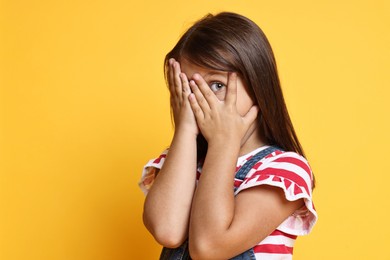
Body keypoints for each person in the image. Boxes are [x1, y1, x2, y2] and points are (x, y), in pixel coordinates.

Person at [139, 12, 317, 259]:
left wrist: (224, 143)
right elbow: (167, 230)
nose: (201, 99)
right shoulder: (183, 161)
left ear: (257, 85)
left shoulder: (284, 170)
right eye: (188, 87)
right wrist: (185, 129)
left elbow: (209, 247)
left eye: (217, 85)